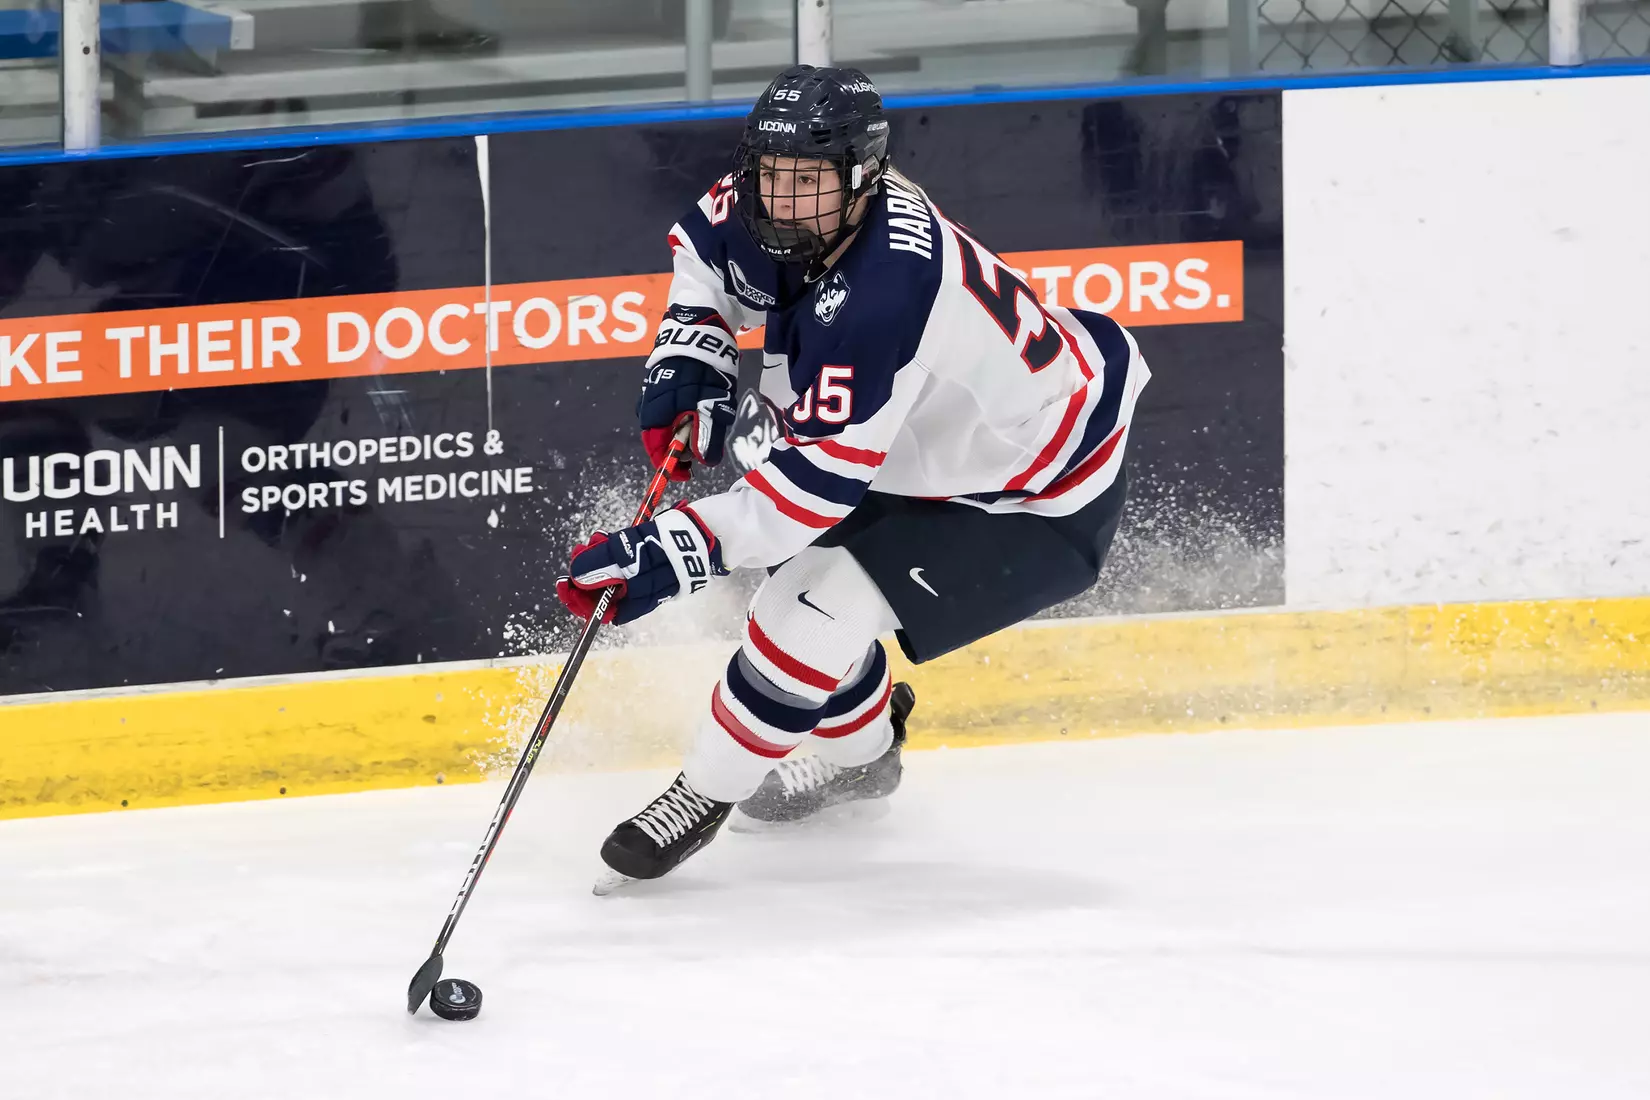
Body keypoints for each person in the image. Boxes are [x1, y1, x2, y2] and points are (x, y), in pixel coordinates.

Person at [556, 64, 1151, 887]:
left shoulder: (887, 292)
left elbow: (806, 499)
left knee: (804, 605)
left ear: (864, 177)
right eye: (770, 175)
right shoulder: (786, 201)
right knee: (787, 548)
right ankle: (864, 758)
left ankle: (700, 795)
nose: (780, 199)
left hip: (1031, 485)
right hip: (917, 435)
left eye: (808, 182)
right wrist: (697, 341)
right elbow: (701, 253)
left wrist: (665, 553)